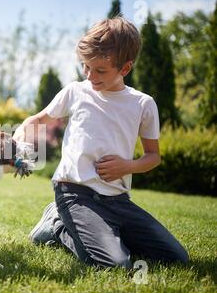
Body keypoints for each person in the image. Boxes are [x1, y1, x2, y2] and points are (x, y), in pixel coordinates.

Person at [13, 17, 188, 268]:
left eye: (100, 71)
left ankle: (100, 232)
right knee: (116, 265)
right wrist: (17, 141)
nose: (90, 76)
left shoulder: (143, 104)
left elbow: (153, 156)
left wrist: (127, 166)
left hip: (118, 200)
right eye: (86, 67)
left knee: (176, 258)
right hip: (75, 194)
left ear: (125, 69)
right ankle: (58, 226)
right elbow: (37, 119)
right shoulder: (76, 91)